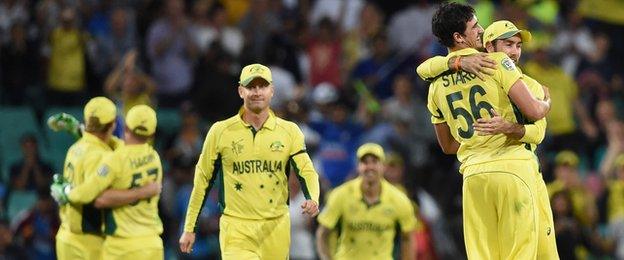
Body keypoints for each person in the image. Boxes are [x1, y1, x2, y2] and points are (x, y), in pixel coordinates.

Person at [416, 20, 559, 259]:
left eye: (518, 46)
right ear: (488, 47)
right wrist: (542, 106)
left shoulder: (437, 82)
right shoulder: (514, 76)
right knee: (524, 252)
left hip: (473, 174)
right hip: (515, 171)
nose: (514, 51)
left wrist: (479, 138)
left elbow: (448, 145)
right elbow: (537, 121)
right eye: (508, 44)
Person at [178, 63, 320, 259]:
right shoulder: (220, 131)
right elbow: (202, 181)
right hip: (236, 227)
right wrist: (189, 227)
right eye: (251, 87)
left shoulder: (289, 131)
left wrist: (313, 197)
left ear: (272, 91)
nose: (257, 92)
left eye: (262, 86)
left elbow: (306, 170)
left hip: (276, 227)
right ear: (240, 91)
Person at [51, 105, 163, 259]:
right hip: (152, 244)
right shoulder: (155, 158)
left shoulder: (112, 159)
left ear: (125, 128)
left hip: (119, 247)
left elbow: (97, 198)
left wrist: (66, 192)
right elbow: (120, 145)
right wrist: (143, 192)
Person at [316, 143, 417, 260]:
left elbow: (407, 238)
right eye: (365, 162)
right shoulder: (341, 195)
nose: (370, 167)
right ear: (358, 166)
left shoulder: (399, 200)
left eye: (374, 161)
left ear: (383, 166)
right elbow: (323, 234)